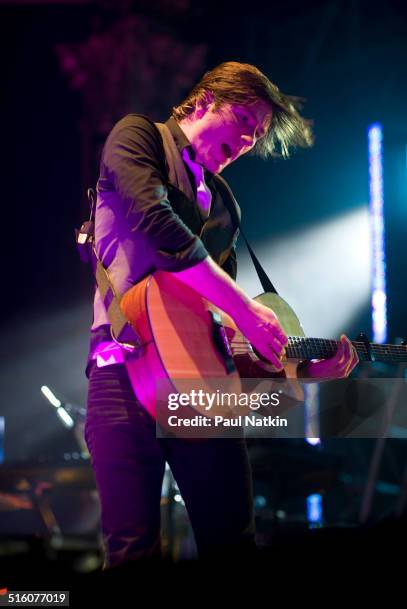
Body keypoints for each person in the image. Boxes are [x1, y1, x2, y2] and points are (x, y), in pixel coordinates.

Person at [85, 61, 359, 568]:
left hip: (201, 395)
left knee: (232, 544)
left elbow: (217, 335)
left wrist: (296, 369)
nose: (253, 138)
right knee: (130, 553)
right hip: (121, 378)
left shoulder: (225, 205)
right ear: (208, 98)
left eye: (259, 134)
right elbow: (156, 222)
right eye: (248, 119)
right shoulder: (138, 136)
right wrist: (245, 308)